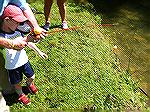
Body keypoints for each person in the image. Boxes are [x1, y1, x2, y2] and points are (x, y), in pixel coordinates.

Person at [0, 5, 48, 105]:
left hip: (24, 61)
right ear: (7, 20)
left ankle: (29, 83)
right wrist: (26, 39)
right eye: (17, 21)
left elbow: (28, 43)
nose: (20, 24)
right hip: (12, 66)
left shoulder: (18, 31)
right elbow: (14, 45)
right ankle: (21, 94)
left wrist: (39, 51)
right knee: (17, 84)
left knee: (32, 76)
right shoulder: (2, 37)